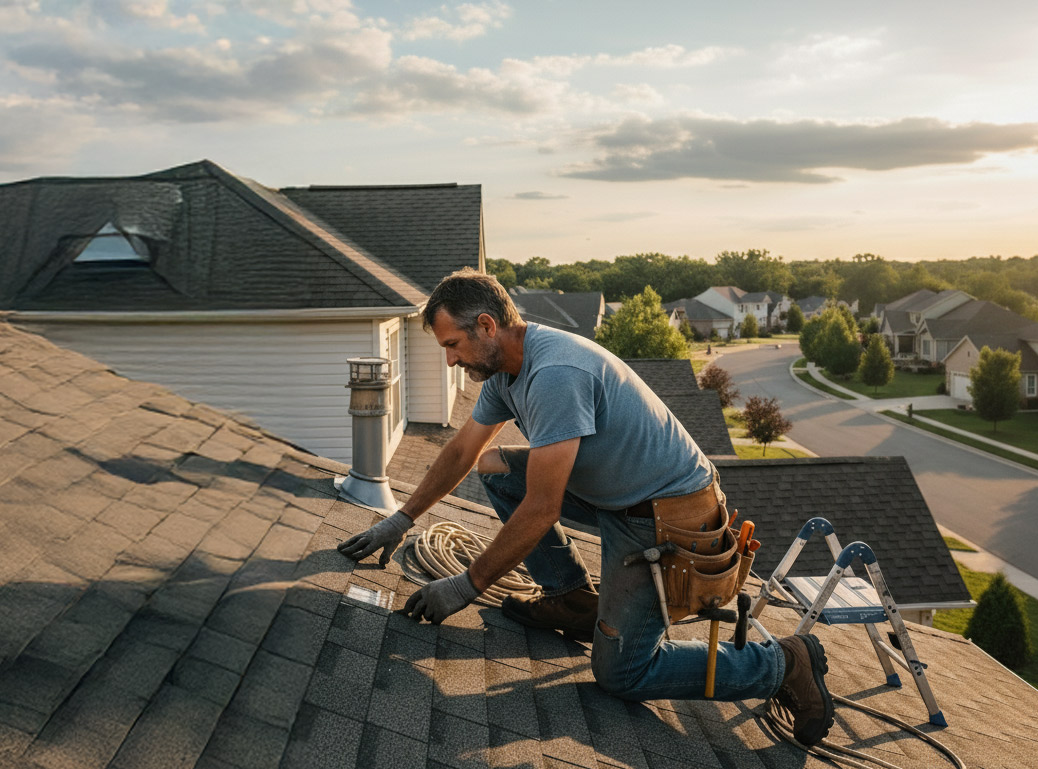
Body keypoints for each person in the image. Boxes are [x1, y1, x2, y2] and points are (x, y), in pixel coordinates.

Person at [337, 269, 836, 745]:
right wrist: (402, 518)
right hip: (619, 495)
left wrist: (466, 585)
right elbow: (462, 452)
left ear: (487, 326)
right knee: (497, 468)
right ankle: (573, 598)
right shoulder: (505, 372)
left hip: (663, 517)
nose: (450, 361)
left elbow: (542, 509)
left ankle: (783, 662)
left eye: (452, 345)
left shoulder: (555, 373)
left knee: (621, 672)